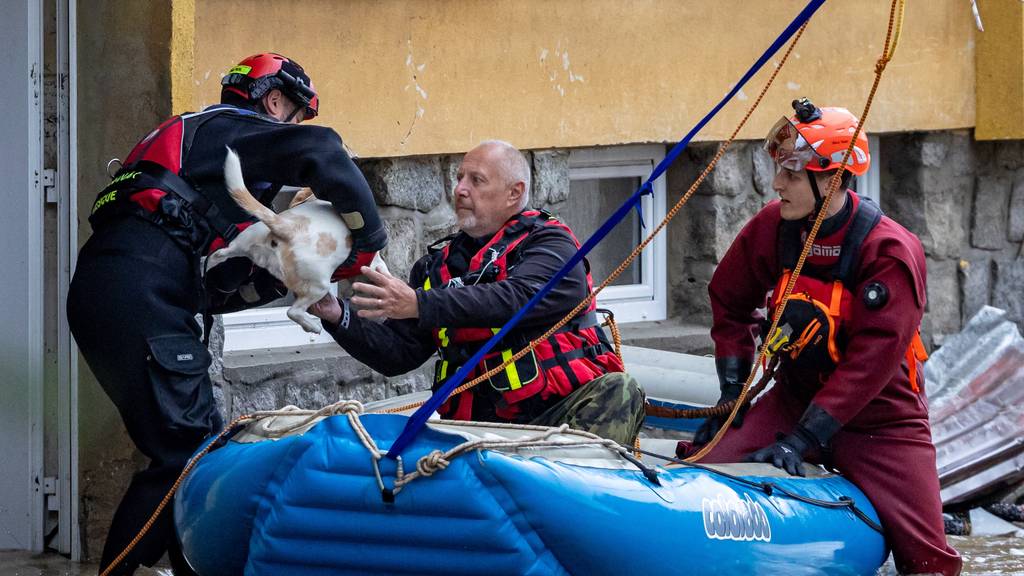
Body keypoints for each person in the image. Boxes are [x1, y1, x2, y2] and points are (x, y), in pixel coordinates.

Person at [67, 53, 386, 575]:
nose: (293, 128)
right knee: (184, 452)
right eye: (293, 115)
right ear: (276, 100)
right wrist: (370, 237)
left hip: (119, 288)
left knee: (193, 445)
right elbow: (323, 148)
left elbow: (218, 286)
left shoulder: (200, 155)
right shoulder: (231, 128)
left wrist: (291, 278)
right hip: (139, 288)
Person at [683, 99, 961, 576]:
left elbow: (870, 365)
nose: (776, 184)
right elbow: (727, 298)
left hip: (881, 420)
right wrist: (732, 394)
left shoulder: (889, 252)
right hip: (791, 398)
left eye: (791, 173)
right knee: (700, 472)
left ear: (832, 177)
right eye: (778, 170)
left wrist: (803, 439)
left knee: (928, 558)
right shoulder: (775, 226)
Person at [309, 140, 645, 444]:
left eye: (476, 180)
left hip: (555, 420)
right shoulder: (435, 266)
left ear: (514, 193)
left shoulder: (552, 244)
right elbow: (399, 354)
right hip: (475, 432)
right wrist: (337, 315)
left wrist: (418, 303)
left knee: (620, 390)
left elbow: (520, 297)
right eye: (458, 178)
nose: (460, 189)